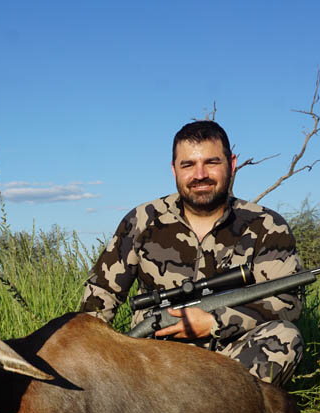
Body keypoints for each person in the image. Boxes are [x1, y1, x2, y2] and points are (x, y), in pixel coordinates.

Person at [79, 120, 304, 387]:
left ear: (231, 164)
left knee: (285, 338)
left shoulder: (266, 225)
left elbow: (288, 300)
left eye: (211, 162)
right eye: (188, 165)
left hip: (229, 360)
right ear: (174, 169)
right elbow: (100, 296)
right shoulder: (142, 220)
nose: (200, 175)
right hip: (150, 358)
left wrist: (215, 322)